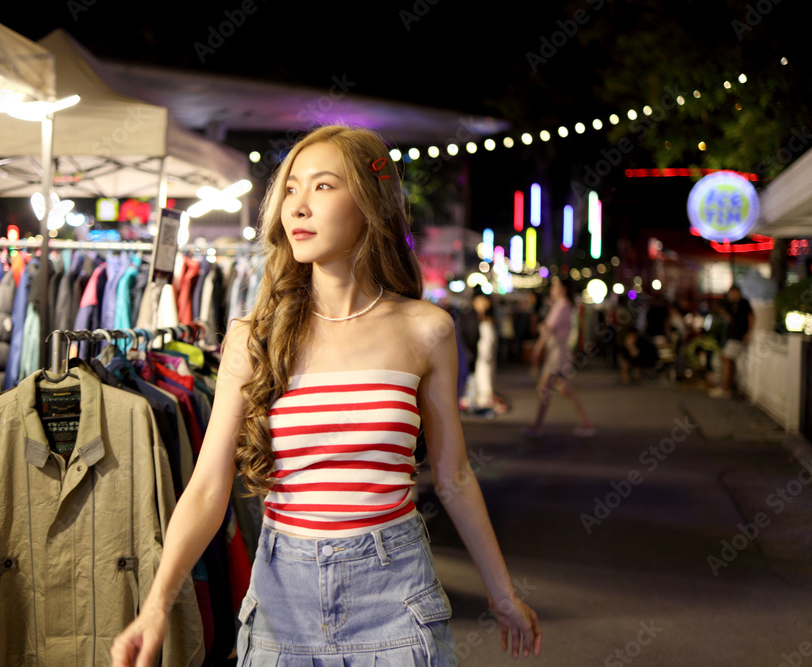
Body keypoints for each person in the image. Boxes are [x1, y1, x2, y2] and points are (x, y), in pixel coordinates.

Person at [110, 125, 541, 666]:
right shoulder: (255, 337)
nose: (299, 206)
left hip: (394, 597)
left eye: (323, 187)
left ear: (370, 203)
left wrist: (503, 596)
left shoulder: (425, 330)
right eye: (291, 189)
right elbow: (206, 488)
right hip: (280, 603)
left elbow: (453, 477)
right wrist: (155, 606)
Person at [524, 276, 595, 437]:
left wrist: (536, 350)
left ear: (562, 289)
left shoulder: (562, 306)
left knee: (546, 388)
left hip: (557, 352)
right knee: (563, 389)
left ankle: (537, 426)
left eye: (555, 286)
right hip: (558, 351)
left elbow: (548, 329)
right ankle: (586, 422)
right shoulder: (563, 305)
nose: (552, 289)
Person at [709, 285, 754, 398]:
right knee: (728, 360)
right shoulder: (735, 305)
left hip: (737, 337)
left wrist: (749, 332)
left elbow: (751, 317)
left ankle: (725, 388)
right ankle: (727, 386)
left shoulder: (743, 303)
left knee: (727, 358)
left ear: (735, 292)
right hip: (734, 336)